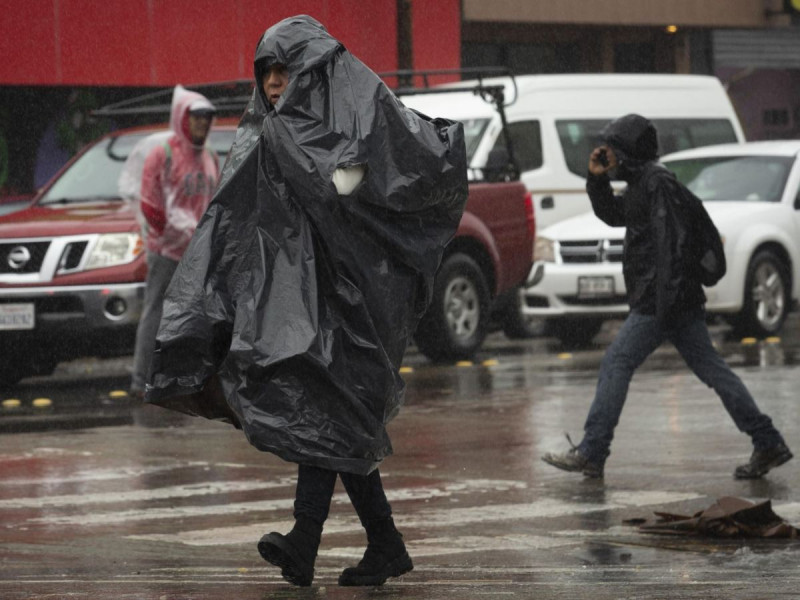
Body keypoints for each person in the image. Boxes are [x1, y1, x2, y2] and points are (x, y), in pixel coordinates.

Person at [145, 15, 467, 587]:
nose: (273, 82)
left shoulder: (342, 125)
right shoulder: (272, 130)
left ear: (310, 72)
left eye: (283, 69)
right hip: (302, 302)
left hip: (348, 301)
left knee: (327, 415)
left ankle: (309, 541)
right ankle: (375, 544)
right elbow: (242, 219)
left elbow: (367, 183)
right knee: (330, 419)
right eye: (265, 71)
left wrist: (324, 172)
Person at [541, 113, 792, 480]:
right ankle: (767, 441)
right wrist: (597, 180)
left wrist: (661, 304)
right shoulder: (643, 184)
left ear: (627, 152)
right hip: (673, 298)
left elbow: (669, 246)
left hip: (664, 299)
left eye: (612, 149)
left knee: (617, 362)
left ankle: (593, 451)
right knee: (713, 370)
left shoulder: (657, 185)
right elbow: (614, 215)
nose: (606, 154)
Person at [128, 86, 219, 397]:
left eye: (208, 118)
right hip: (166, 251)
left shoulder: (209, 157)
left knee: (196, 317)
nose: (203, 124)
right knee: (155, 313)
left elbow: (215, 202)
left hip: (198, 253)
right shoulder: (163, 154)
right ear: (182, 118)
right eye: (197, 117)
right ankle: (142, 381)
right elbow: (150, 204)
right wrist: (172, 231)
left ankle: (188, 378)